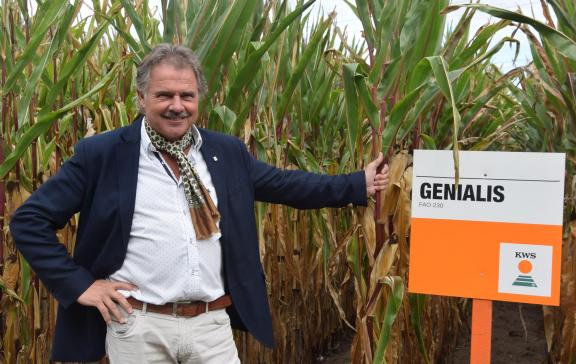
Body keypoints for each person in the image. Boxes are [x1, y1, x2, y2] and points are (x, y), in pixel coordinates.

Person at [9, 44, 389, 363]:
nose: (177, 106)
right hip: (138, 325)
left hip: (211, 325)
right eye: (164, 96)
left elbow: (286, 184)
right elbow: (29, 220)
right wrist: (83, 286)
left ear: (198, 99)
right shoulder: (103, 155)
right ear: (141, 98)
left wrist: (358, 183)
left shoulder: (225, 153)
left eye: (186, 96)